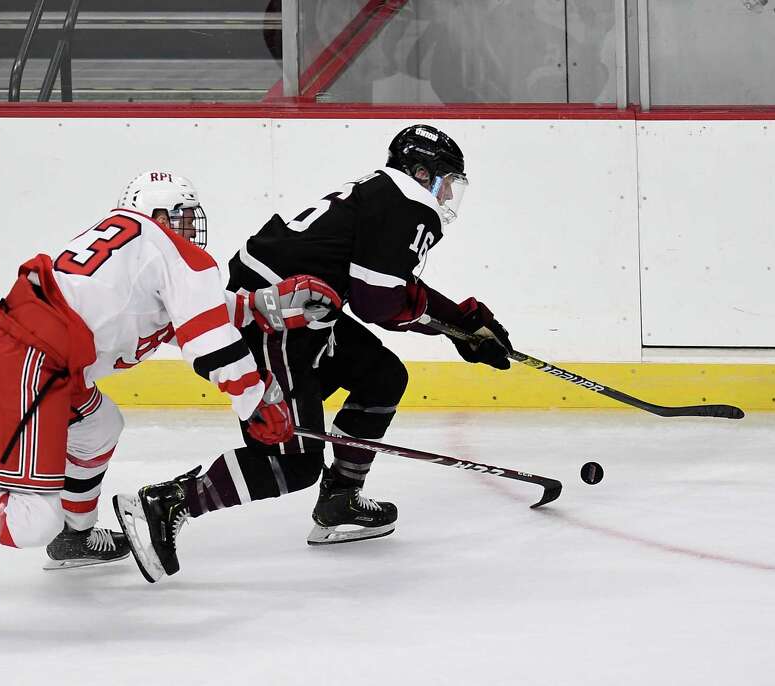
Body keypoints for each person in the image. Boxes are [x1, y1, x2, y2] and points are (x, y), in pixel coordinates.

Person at [0, 171, 340, 571]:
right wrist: (255, 402)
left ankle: (75, 536)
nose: (192, 230)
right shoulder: (171, 252)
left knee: (101, 424)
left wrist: (267, 305)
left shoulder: (133, 253)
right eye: (184, 217)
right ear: (160, 214)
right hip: (25, 363)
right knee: (27, 521)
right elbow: (208, 339)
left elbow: (192, 314)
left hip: (28, 354)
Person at [114, 125, 515, 583]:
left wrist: (461, 321)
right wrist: (451, 329)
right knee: (291, 461)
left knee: (381, 375)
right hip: (276, 317)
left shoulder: (382, 192)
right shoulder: (407, 200)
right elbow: (377, 302)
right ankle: (172, 500)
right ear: (421, 172)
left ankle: (340, 500)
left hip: (302, 311)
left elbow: (386, 285)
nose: (446, 194)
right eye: (445, 180)